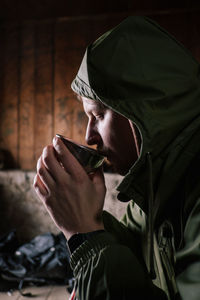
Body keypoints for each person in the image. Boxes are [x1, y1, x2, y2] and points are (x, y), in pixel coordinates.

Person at [33, 16, 200, 300]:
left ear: (142, 112)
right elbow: (131, 260)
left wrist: (85, 237)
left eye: (97, 116)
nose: (89, 138)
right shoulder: (151, 186)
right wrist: (88, 219)